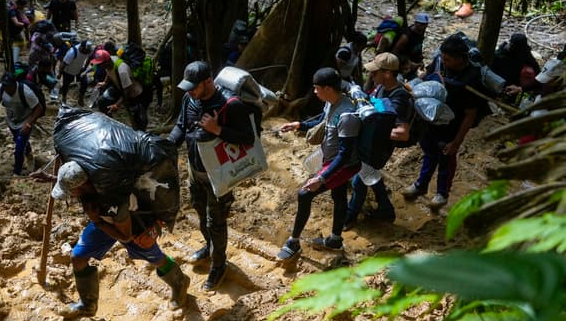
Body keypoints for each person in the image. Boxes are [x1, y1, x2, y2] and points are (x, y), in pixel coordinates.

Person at [52, 161, 189, 319]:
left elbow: (125, 236)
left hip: (131, 227)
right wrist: (52, 178)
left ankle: (180, 282)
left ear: (82, 186)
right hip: (104, 220)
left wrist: (97, 221)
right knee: (78, 257)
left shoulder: (112, 199)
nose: (70, 195)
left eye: (70, 191)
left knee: (156, 258)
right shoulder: (88, 185)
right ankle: (87, 305)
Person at [167, 61, 256, 290]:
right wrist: (167, 146)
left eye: (193, 87)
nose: (189, 92)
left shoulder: (230, 105)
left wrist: (217, 130)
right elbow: (181, 126)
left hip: (219, 176)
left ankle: (219, 265)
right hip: (194, 171)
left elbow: (248, 139)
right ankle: (209, 247)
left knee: (215, 222)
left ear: (208, 82)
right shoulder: (190, 99)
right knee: (199, 209)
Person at [275, 68, 362, 259]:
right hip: (332, 160)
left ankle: (293, 242)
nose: (314, 92)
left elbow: (345, 155)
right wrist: (299, 125)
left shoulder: (347, 115)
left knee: (304, 194)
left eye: (316, 88)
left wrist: (322, 178)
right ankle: (335, 240)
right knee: (339, 195)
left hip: (344, 164)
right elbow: (323, 122)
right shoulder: (332, 104)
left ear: (328, 88)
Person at [402, 33, 483, 209]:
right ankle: (421, 186)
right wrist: (413, 85)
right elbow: (427, 76)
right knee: (429, 153)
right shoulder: (439, 62)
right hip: (430, 119)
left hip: (451, 125)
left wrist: (456, 142)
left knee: (446, 157)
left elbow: (470, 114)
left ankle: (441, 194)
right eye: (443, 58)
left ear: (460, 59)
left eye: (448, 59)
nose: (444, 62)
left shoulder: (471, 80)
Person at [345, 53, 414, 225]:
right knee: (369, 173)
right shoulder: (381, 87)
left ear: (388, 74)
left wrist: (377, 130)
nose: (371, 75)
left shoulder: (400, 97)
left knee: (359, 179)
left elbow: (403, 133)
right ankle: (386, 209)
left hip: (380, 146)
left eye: (375, 73)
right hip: (369, 140)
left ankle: (349, 217)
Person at [0, 72, 45, 175]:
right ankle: (29, 155)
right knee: (19, 141)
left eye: (8, 85)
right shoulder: (1, 88)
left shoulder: (25, 92)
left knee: (19, 149)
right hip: (12, 121)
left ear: (14, 83)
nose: (6, 88)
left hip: (25, 121)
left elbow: (39, 108)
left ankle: (17, 173)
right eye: (4, 85)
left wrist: (28, 124)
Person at [92, 48, 148, 130]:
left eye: (100, 64)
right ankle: (111, 125)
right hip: (120, 87)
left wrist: (116, 105)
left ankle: (139, 134)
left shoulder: (122, 70)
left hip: (134, 93)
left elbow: (127, 91)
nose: (98, 66)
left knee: (138, 119)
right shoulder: (109, 62)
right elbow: (108, 72)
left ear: (107, 61)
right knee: (102, 102)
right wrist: (105, 82)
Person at [57, 38, 94, 106]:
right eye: (86, 51)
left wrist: (85, 67)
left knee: (84, 82)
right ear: (81, 47)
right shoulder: (72, 52)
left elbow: (89, 58)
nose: (87, 52)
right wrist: (60, 74)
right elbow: (63, 64)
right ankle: (64, 98)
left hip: (79, 69)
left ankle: (81, 98)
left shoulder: (88, 50)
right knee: (66, 85)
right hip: (69, 71)